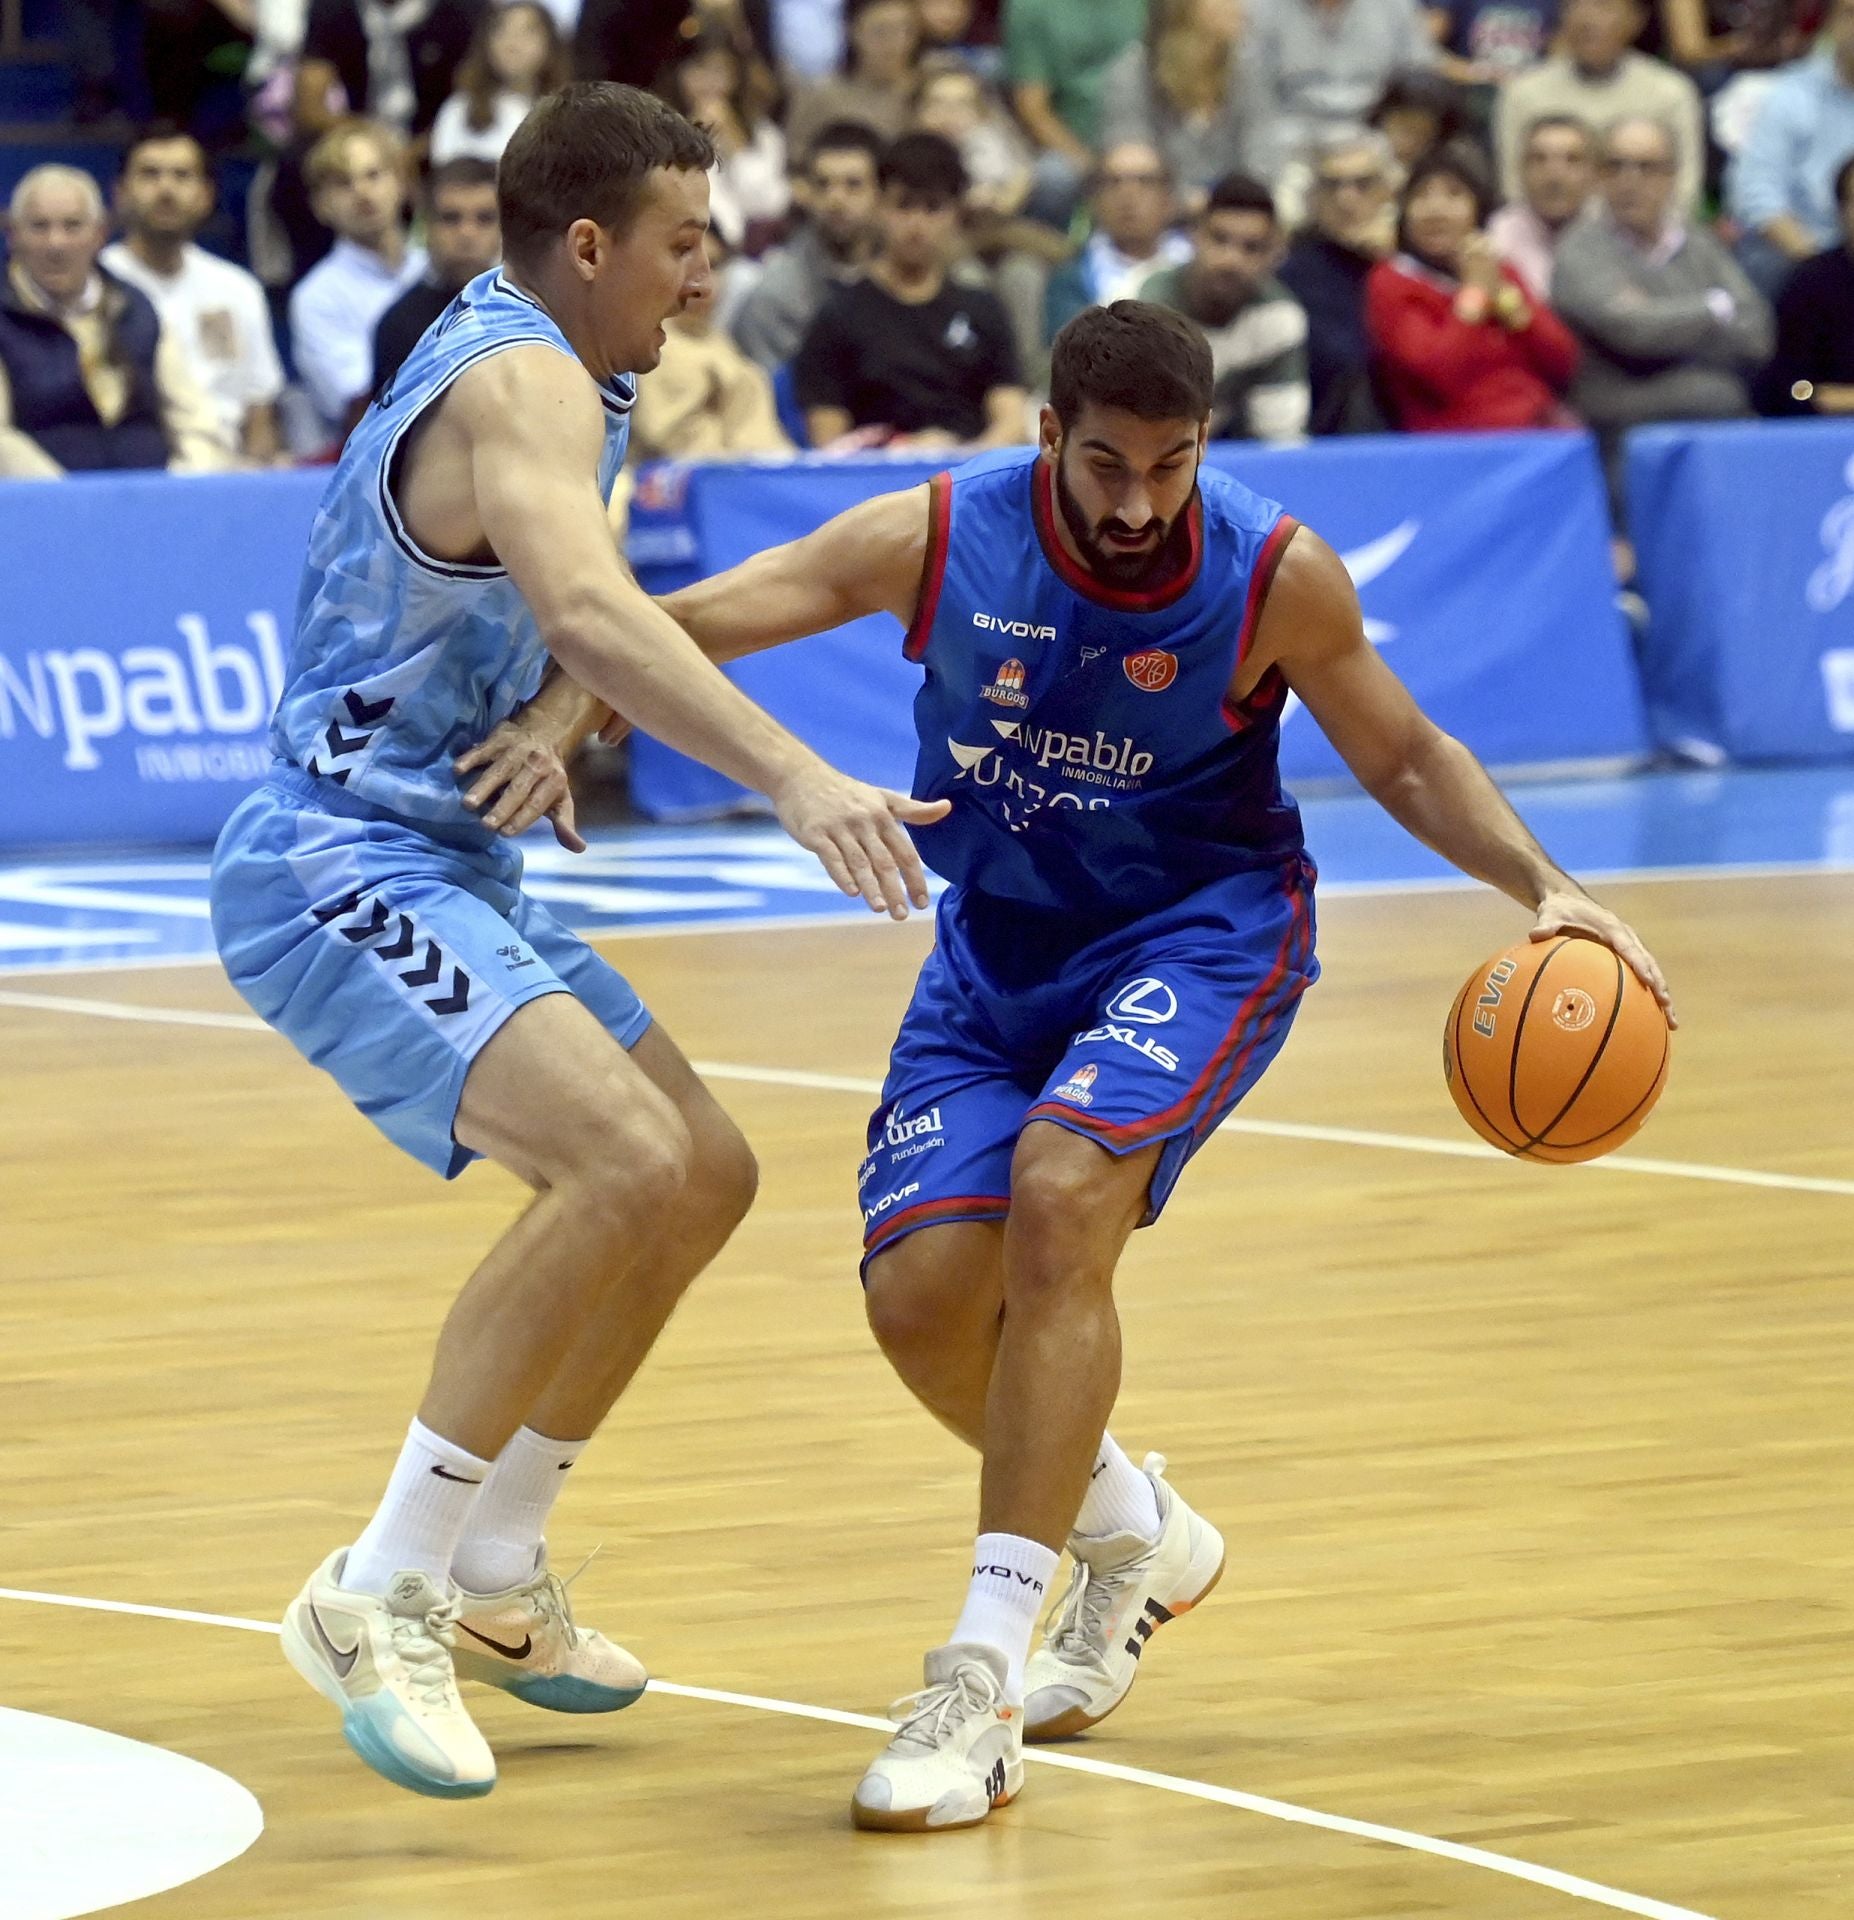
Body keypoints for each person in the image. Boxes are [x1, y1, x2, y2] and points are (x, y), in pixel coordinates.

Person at [491, 297, 1672, 1833]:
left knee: (1060, 1200)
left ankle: (975, 1684)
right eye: (1104, 464)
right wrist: (572, 695)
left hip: (1197, 936)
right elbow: (720, 608)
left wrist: (1546, 888)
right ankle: (1136, 1531)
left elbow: (1402, 755)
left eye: (1167, 469)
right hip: (996, 951)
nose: (1133, 503)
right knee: (918, 1305)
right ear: (1046, 434)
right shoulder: (939, 535)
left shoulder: (1270, 575)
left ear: (1202, 452)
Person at [209, 81, 943, 1802]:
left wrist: (552, 719)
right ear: (592, 242)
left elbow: (564, 631)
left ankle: (489, 1569)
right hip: (334, 860)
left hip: (444, 851)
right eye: (686, 242)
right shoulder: (522, 373)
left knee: (700, 1168)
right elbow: (597, 604)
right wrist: (791, 778)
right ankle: (375, 1582)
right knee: (617, 1160)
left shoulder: (574, 371)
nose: (710, 272)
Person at [1552, 116, 1773, 455]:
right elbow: (1631, 330)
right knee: (1718, 396)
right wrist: (1713, 307)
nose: (1630, 180)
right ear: (1598, 176)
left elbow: (1757, 334)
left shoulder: (1699, 244)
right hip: (1615, 434)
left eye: (1647, 167)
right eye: (1616, 166)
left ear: (1672, 177)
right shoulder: (1579, 249)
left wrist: (1657, 316)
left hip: (1711, 428)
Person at [794, 130, 1028, 447]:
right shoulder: (838, 316)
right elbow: (828, 445)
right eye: (904, 206)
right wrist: (904, 452)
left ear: (955, 215)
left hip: (965, 479)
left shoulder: (984, 309)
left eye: (932, 208)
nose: (917, 224)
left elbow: (1012, 421)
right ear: (879, 207)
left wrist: (957, 463)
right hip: (876, 483)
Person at [0, 164, 233, 478]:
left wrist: (181, 490)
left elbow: (194, 418)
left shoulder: (137, 308)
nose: (56, 243)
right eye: (39, 227)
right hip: (44, 506)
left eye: (72, 226)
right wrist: (68, 501)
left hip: (154, 500)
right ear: (12, 235)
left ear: (99, 234)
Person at [102, 125, 287, 462]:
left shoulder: (237, 288)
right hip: (139, 470)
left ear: (206, 195)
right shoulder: (97, 286)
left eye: (182, 175)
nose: (166, 188)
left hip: (229, 473)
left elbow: (259, 410)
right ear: (120, 193)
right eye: (150, 174)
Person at [1367, 138, 1581, 429]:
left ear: (1477, 211)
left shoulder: (1497, 270)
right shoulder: (1391, 282)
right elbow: (1439, 372)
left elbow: (1562, 360)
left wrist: (1504, 298)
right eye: (1422, 196)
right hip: (1457, 445)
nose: (1436, 211)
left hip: (1536, 432)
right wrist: (1475, 295)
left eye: (1454, 195)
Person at [1139, 172, 1311, 440]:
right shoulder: (1143, 308)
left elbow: (1280, 440)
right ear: (1194, 236)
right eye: (1219, 239)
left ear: (1273, 255)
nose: (1231, 260)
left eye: (1251, 248)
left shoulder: (1278, 316)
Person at [1496, 0, 1706, 214]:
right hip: (1544, 237)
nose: (1587, 19)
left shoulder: (1670, 93)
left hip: (1641, 237)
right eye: (1574, 5)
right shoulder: (1523, 93)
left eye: (1603, 6)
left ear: (1636, 20)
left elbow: (1686, 191)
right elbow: (1513, 189)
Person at [729, 120, 883, 369]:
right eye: (822, 184)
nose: (836, 199)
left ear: (881, 193)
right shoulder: (775, 297)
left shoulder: (906, 279)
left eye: (853, 185)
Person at [1726, 0, 1854, 298]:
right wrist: (1822, 266)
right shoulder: (1789, 95)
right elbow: (1758, 196)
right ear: (1831, 25)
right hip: (1806, 249)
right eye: (1851, 14)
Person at [1277, 127, 1398, 432]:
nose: (1346, 198)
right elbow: (1350, 359)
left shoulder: (1415, 261)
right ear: (1313, 197)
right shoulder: (1295, 274)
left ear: (1388, 192)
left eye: (1363, 184)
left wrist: (1389, 262)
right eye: (1332, 185)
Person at [1243, 0, 1439, 185]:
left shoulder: (1394, 6)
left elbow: (1419, 75)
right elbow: (1255, 97)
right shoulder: (1264, 8)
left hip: (1377, 136)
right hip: (1294, 139)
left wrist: (1393, 138)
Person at [1099, 0, 1266, 207]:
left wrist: (1232, 200)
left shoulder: (1247, 70)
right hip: (1156, 219)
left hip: (1234, 211)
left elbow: (1262, 150)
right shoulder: (1133, 74)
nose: (1238, 6)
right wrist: (1187, 202)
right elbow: (1131, 160)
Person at [1004, 0, 1148, 225]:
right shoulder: (1030, 7)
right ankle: (1056, 256)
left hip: (1147, 141)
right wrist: (1086, 164)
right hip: (1072, 146)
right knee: (1054, 178)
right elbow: (1032, 107)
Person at [371, 158, 504, 397]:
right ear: (426, 225)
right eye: (450, 218)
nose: (467, 233)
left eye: (485, 218)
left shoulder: (535, 312)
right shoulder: (398, 326)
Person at [1043, 143, 1193, 342]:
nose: (1128, 194)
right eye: (1114, 182)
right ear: (1095, 201)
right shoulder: (1070, 279)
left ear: (1169, 200)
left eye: (1145, 181)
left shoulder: (1200, 266)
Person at [663, 26, 793, 253]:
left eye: (718, 71)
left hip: (752, 255)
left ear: (735, 76)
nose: (708, 82)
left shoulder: (763, 133)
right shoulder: (660, 130)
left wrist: (736, 143)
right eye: (698, 69)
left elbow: (770, 206)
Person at [1756, 151, 1854, 414]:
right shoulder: (1810, 283)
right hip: (1823, 433)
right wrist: (1829, 397)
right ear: (1841, 211)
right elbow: (1791, 386)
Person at [430, 2, 574, 166]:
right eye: (501, 31)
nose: (512, 44)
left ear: (551, 43)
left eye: (528, 32)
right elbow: (447, 178)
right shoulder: (460, 109)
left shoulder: (571, 113)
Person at [786, 0, 923, 157]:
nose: (896, 43)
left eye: (906, 30)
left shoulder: (930, 87)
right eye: (881, 32)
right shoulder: (822, 94)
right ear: (853, 31)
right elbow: (796, 160)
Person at [1488, 113, 1598, 298]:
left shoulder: (1615, 233)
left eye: (1572, 160)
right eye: (1539, 159)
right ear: (1520, 171)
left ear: (1594, 174)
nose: (1554, 176)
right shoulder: (1501, 235)